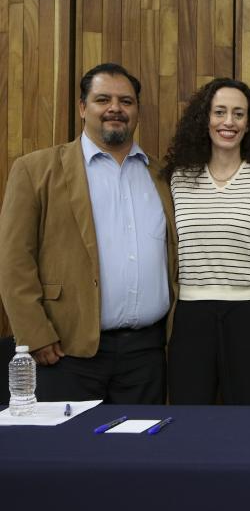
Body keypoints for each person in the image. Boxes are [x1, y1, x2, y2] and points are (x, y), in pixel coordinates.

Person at [0, 63, 176, 403]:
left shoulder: (162, 175)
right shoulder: (36, 171)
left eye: (126, 101)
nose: (115, 108)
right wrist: (34, 334)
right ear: (83, 108)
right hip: (66, 351)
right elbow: (14, 261)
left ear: (137, 111)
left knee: (141, 454)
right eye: (103, 99)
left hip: (147, 355)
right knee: (69, 455)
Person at [163, 78, 250, 405]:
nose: (228, 122)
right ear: (205, 119)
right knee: (189, 414)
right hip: (191, 313)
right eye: (219, 112)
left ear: (249, 124)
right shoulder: (179, 176)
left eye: (238, 114)